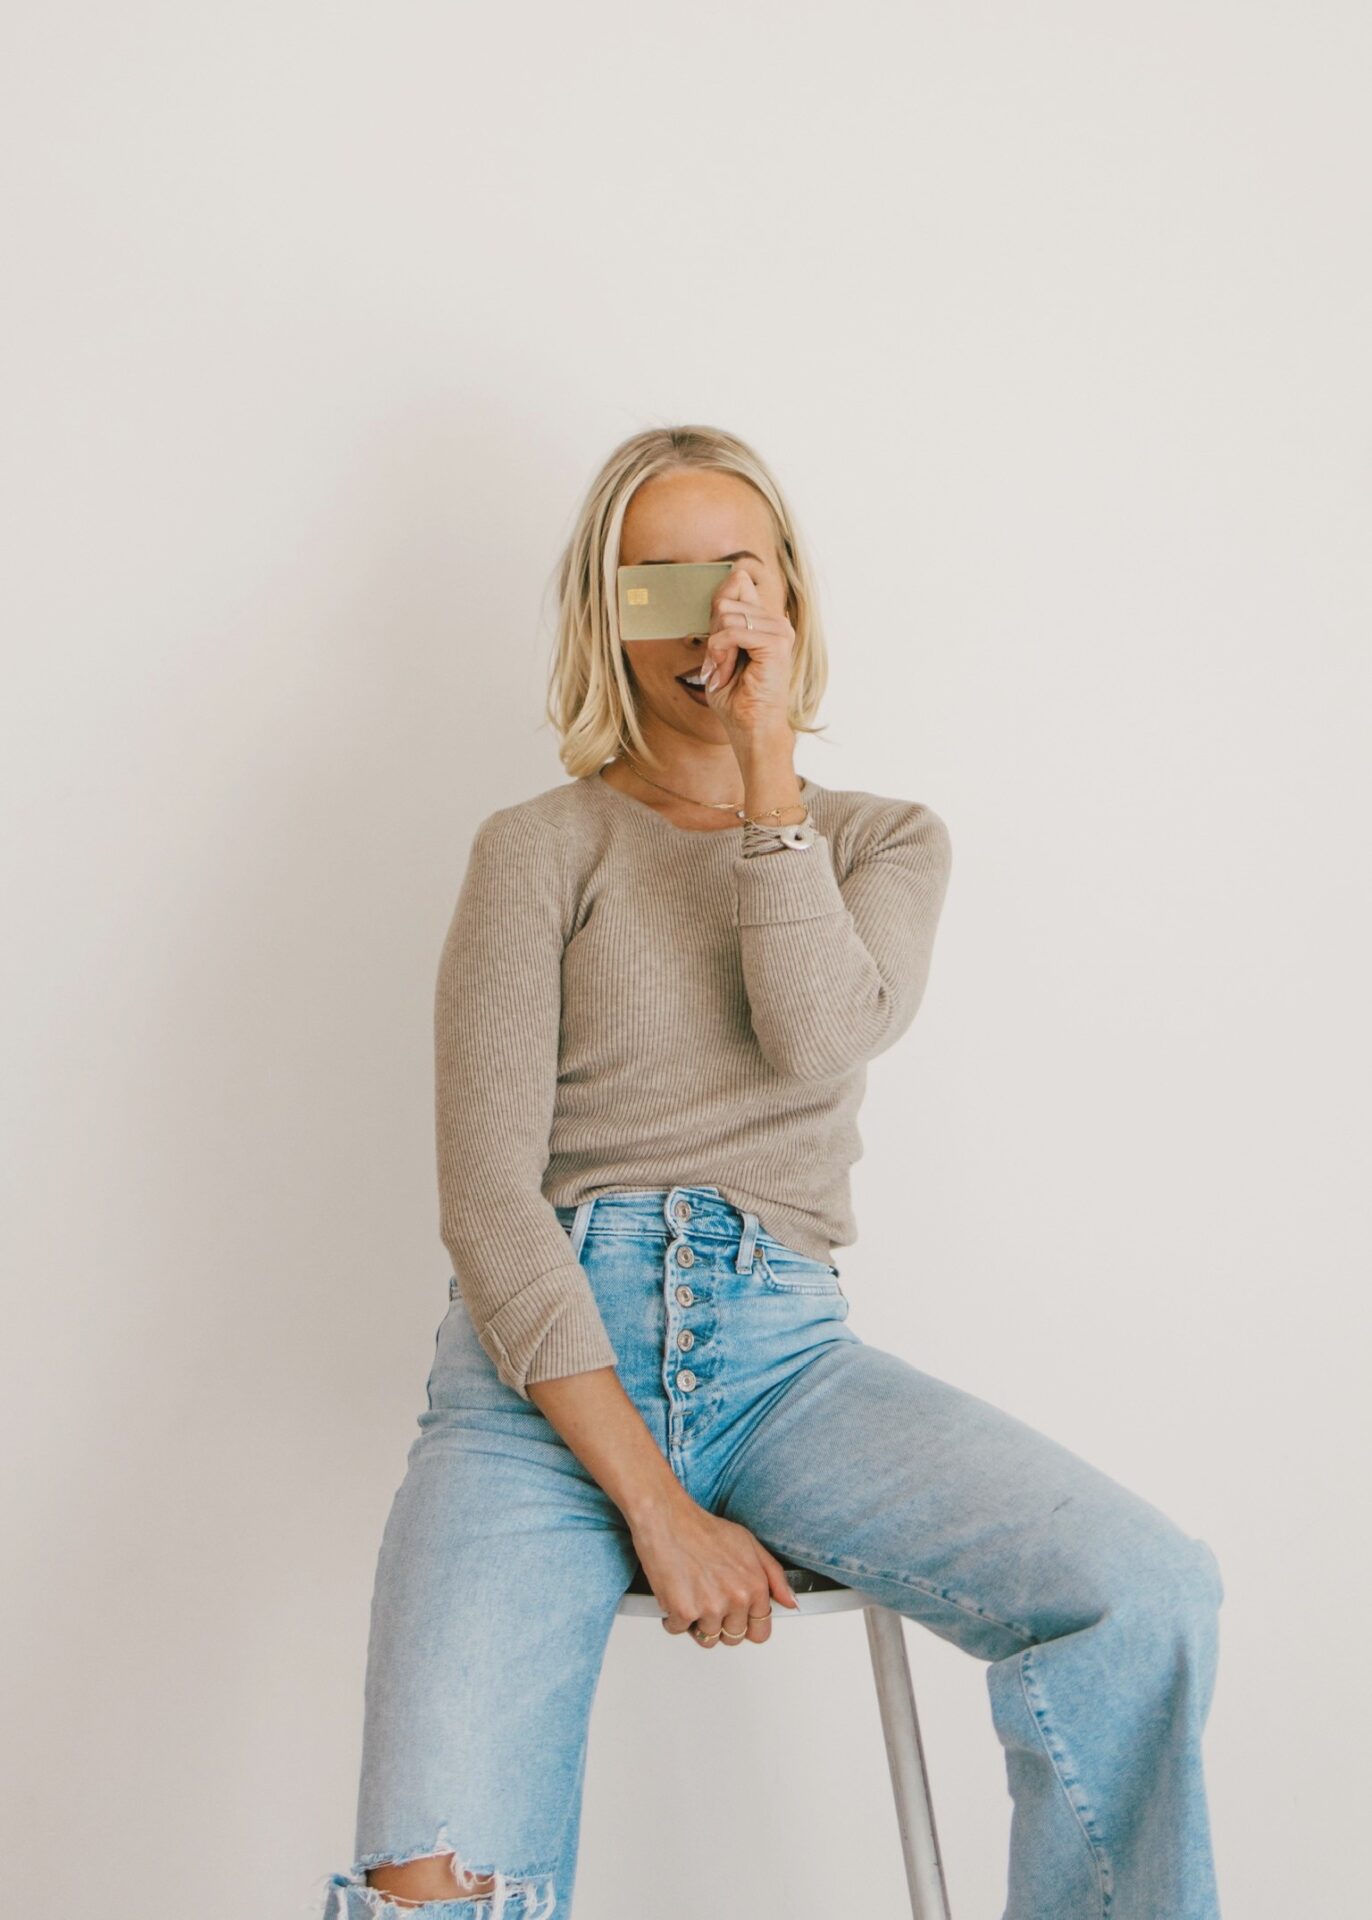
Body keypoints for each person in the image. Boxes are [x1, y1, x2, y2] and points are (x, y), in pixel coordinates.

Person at [319, 426, 1225, 1919]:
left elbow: (818, 1042)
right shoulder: (537, 847)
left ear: (787, 599)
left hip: (783, 1358)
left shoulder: (882, 840)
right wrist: (656, 1511)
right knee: (431, 1884)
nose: (701, 623)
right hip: (540, 1381)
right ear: (606, 612)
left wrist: (765, 770)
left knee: (1147, 1591)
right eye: (659, 584)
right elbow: (488, 1202)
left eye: (733, 579)